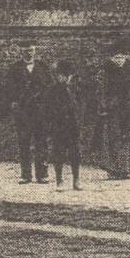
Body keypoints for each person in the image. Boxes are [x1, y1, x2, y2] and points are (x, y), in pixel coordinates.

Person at [96, 42, 130, 181]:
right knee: (113, 139)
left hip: (129, 110)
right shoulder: (105, 71)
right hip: (113, 110)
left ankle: (129, 168)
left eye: (122, 57)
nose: (120, 60)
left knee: (129, 138)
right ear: (112, 58)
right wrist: (106, 105)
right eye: (117, 58)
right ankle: (114, 169)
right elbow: (101, 91)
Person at [7, 44, 53, 184]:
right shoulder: (14, 68)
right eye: (26, 50)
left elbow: (50, 85)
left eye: (31, 50)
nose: (29, 53)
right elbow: (8, 87)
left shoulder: (43, 67)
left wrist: (44, 99)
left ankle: (42, 174)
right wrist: (14, 100)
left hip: (40, 111)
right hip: (23, 111)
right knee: (24, 142)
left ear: (35, 51)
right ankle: (26, 174)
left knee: (42, 142)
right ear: (21, 51)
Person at [44, 59, 87, 191]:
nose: (61, 78)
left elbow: (82, 105)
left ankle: (76, 180)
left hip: (73, 125)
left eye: (65, 75)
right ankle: (59, 180)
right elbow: (48, 108)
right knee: (58, 153)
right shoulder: (52, 89)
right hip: (58, 125)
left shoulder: (76, 89)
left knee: (75, 152)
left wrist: (79, 120)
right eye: (59, 75)